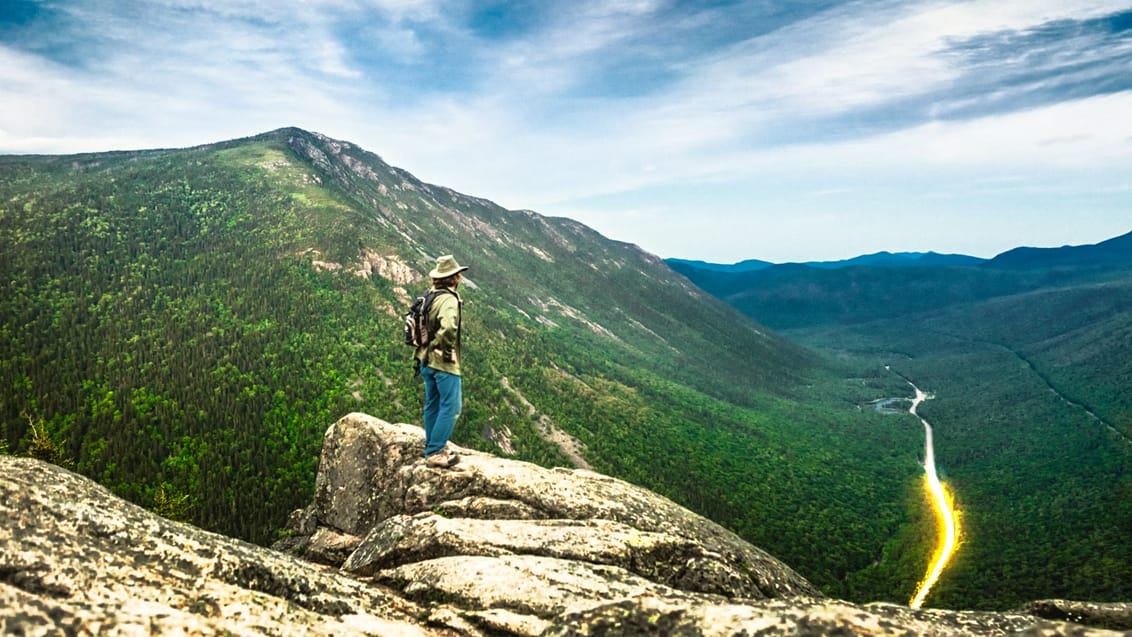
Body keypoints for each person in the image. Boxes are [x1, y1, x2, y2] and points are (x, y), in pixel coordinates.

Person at [416, 254, 467, 468]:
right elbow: (448, 328)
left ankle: (431, 444)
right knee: (452, 406)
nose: (460, 278)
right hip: (441, 363)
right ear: (454, 277)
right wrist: (447, 353)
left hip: (424, 359)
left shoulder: (430, 295)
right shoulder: (448, 299)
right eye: (458, 275)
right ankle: (435, 452)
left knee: (433, 403)